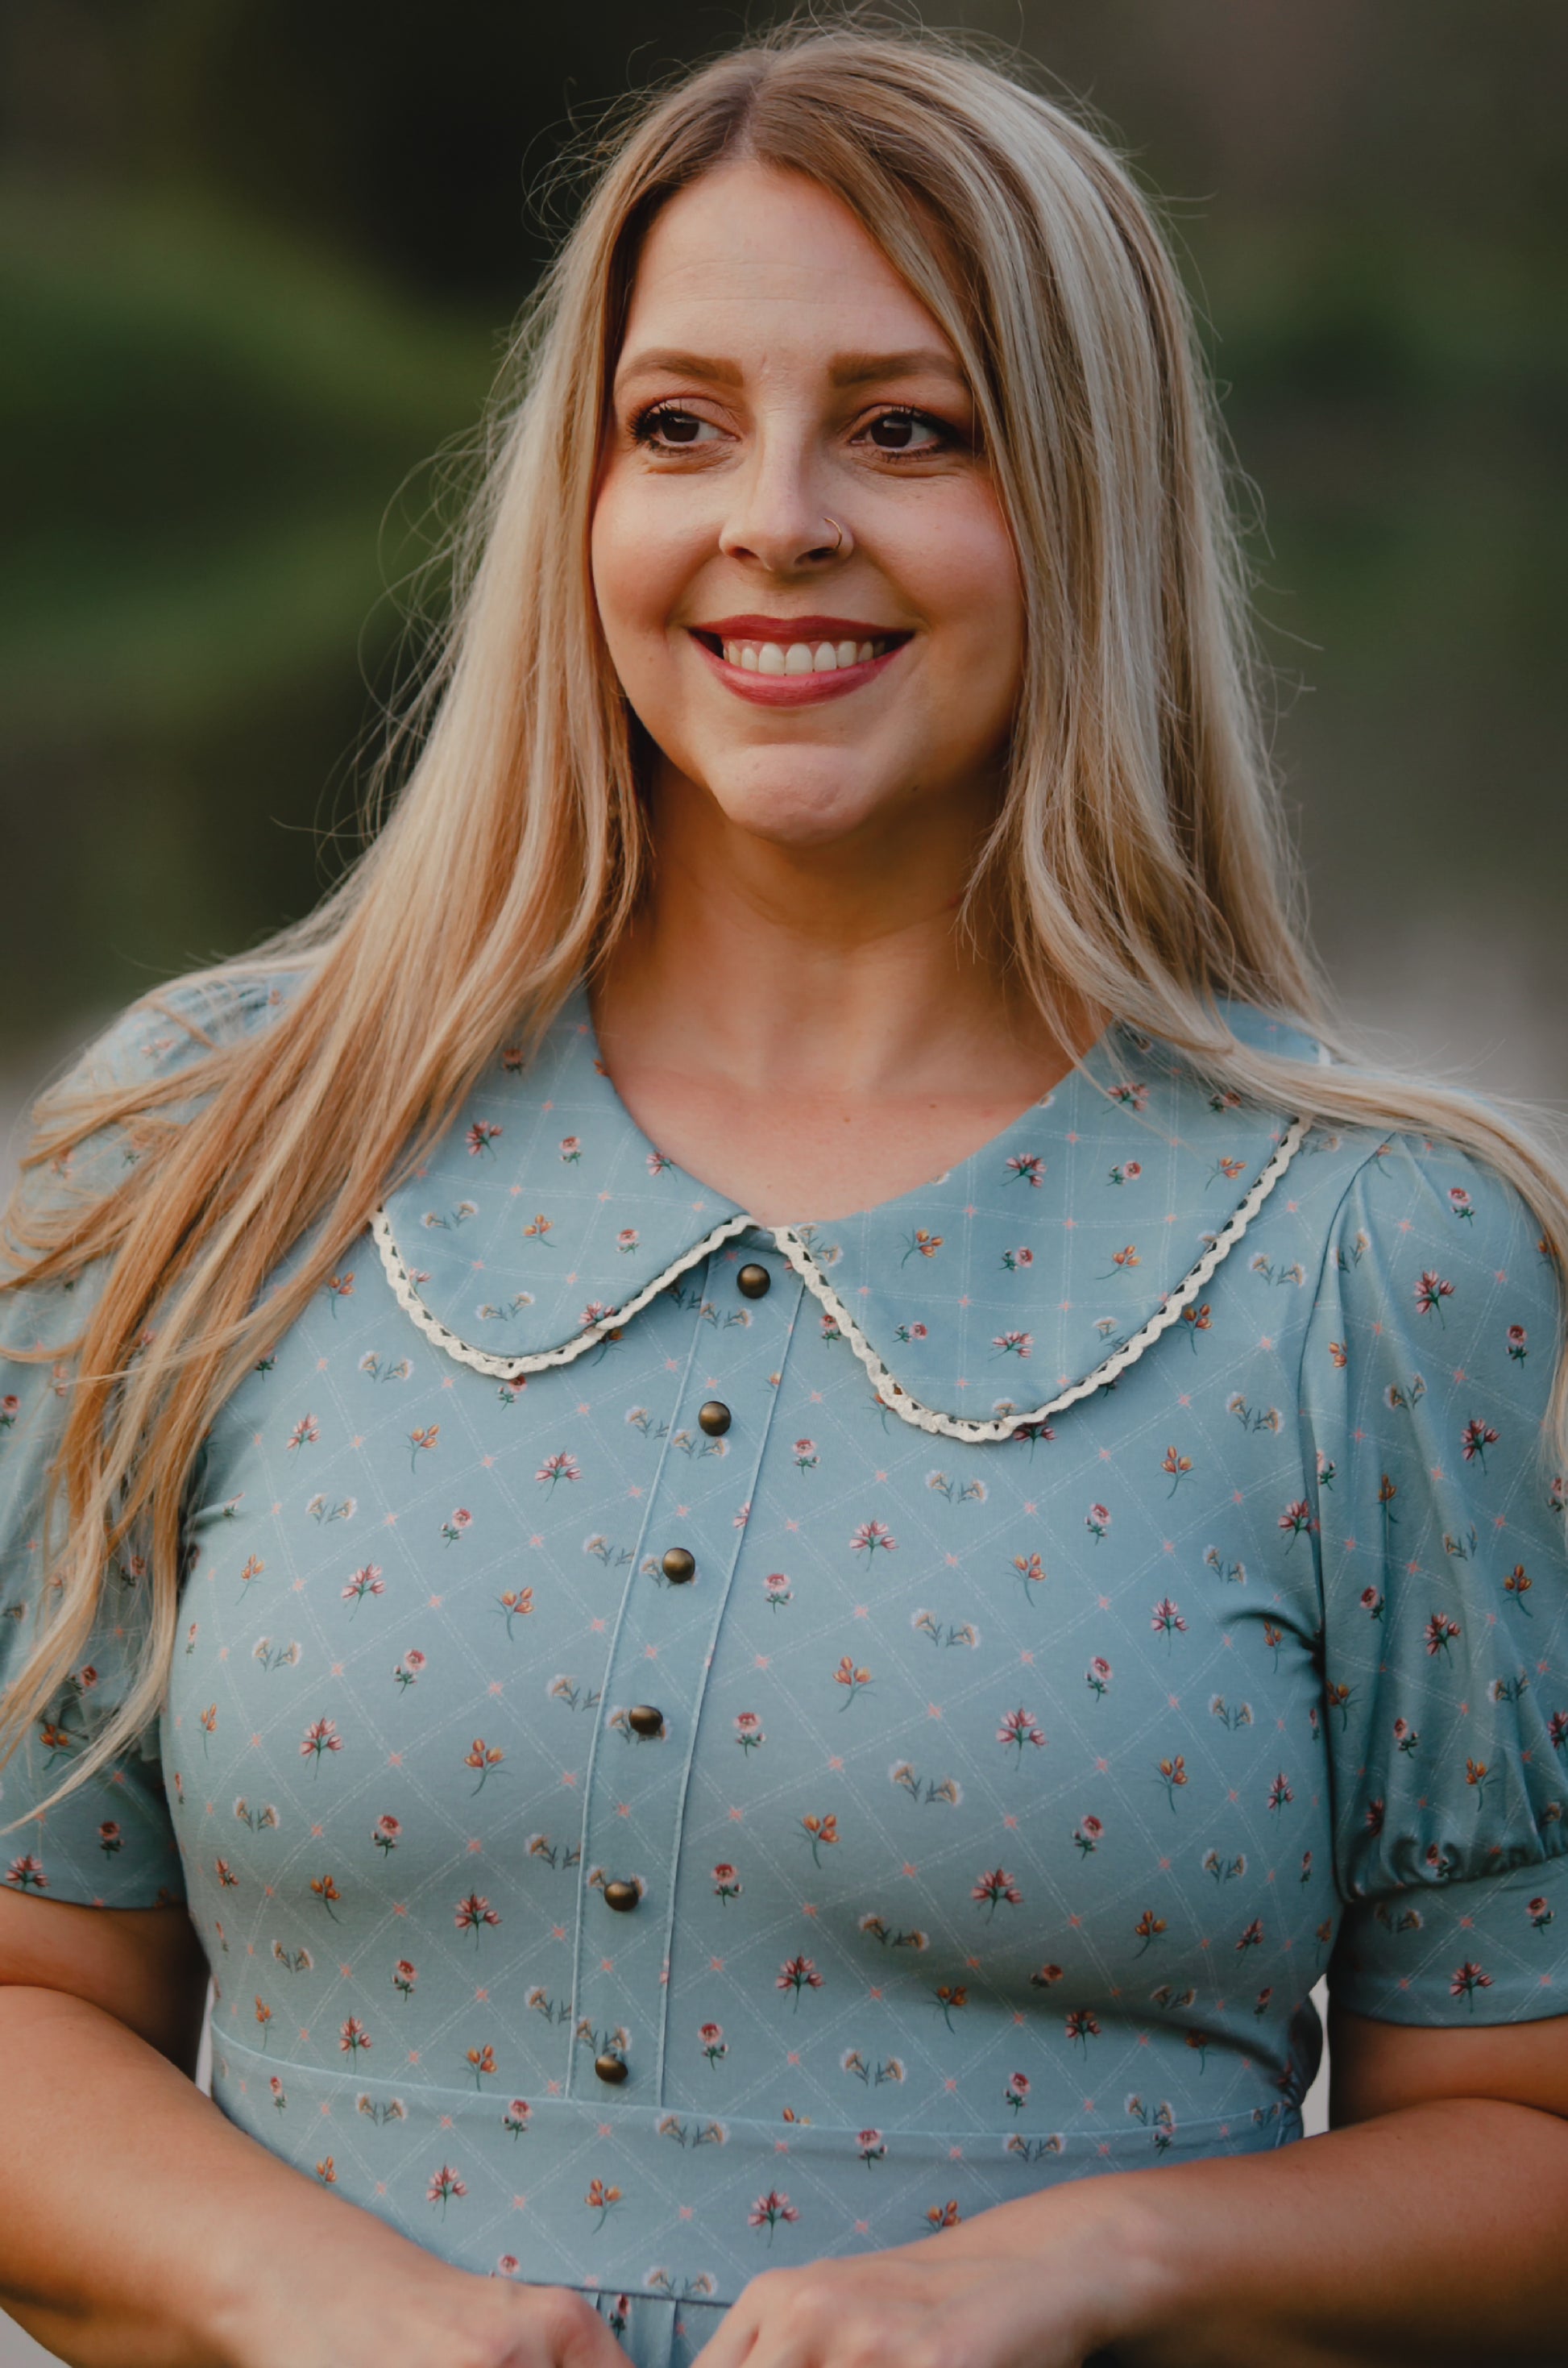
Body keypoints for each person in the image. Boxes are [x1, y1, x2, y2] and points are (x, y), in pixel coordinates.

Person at [2, 23, 1566, 2368]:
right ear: (581, 495)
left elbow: (1521, 2139)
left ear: (1092, 493)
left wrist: (1091, 2257)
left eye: (906, 428)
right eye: (680, 425)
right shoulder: (217, 1152)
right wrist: (323, 2301)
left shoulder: (1376, 1259)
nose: (776, 518)